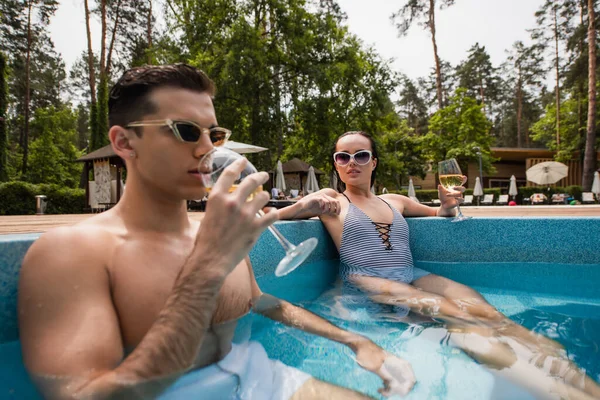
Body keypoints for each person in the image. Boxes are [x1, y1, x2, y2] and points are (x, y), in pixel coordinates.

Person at [17, 66, 415, 400]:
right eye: (187, 131)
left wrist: (355, 341)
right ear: (125, 142)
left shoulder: (215, 234)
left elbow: (263, 303)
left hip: (259, 374)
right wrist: (206, 267)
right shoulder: (73, 252)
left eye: (215, 135)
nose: (206, 148)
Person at [278, 130, 600, 400]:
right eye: (342, 157)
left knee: (480, 306)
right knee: (451, 311)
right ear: (335, 164)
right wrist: (308, 205)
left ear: (373, 162)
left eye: (360, 155)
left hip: (410, 274)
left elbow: (441, 215)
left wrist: (446, 204)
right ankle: (556, 390)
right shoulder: (332, 199)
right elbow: (280, 216)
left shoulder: (395, 200)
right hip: (366, 279)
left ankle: (546, 352)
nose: (351, 163)